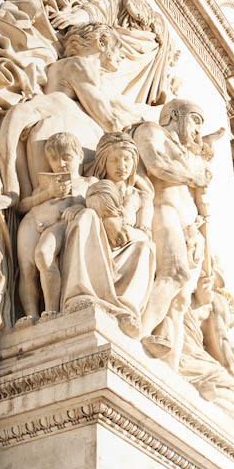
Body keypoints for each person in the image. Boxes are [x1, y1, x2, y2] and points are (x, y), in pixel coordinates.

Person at [49, 0, 183, 108]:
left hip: (137, 80)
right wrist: (76, 16)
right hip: (112, 56)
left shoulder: (158, 21)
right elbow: (100, 7)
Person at [133, 99, 217, 368]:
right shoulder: (151, 131)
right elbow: (155, 164)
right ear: (175, 114)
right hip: (163, 210)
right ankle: (138, 334)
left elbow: (202, 206)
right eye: (195, 121)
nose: (198, 131)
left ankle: (169, 367)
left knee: (181, 302)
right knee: (175, 273)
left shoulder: (189, 155)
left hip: (190, 229)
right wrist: (194, 176)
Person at [59, 133, 155, 337]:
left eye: (127, 159)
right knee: (86, 216)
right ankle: (80, 295)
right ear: (103, 161)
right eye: (115, 159)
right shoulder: (90, 185)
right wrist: (85, 210)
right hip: (96, 243)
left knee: (145, 248)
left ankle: (126, 310)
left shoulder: (140, 197)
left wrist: (120, 229)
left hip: (125, 247)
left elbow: (145, 233)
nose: (122, 165)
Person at [15, 132, 95, 325]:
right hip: (32, 222)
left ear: (80, 156)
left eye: (67, 157)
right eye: (54, 159)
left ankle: (51, 311)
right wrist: (48, 193)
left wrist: (79, 207)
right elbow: (21, 206)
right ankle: (31, 315)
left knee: (43, 255)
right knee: (27, 269)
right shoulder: (44, 186)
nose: (61, 163)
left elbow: (98, 208)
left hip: (59, 225)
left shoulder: (88, 183)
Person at [179, 260, 234, 422]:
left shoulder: (193, 293)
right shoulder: (218, 301)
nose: (229, 326)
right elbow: (221, 344)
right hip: (189, 357)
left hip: (183, 350)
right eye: (230, 322)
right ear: (230, 308)